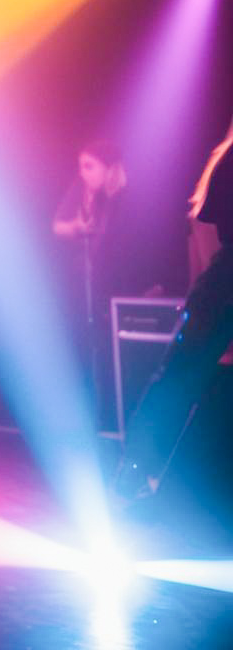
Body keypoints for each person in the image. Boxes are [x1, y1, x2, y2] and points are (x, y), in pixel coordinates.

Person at [112, 115, 233, 500]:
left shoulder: (224, 160)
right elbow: (208, 242)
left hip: (218, 286)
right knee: (177, 380)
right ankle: (136, 472)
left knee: (177, 379)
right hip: (222, 286)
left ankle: (137, 472)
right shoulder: (227, 162)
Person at [51, 139, 158, 432]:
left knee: (122, 365)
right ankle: (98, 420)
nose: (83, 174)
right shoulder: (94, 198)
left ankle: (122, 424)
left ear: (110, 168)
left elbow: (137, 253)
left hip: (125, 295)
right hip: (97, 295)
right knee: (94, 356)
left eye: (89, 167)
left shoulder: (130, 201)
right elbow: (61, 226)